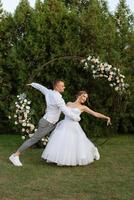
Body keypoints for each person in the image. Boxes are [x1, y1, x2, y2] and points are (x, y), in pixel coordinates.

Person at [9, 80, 81, 166]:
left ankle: (57, 157)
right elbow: (65, 111)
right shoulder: (58, 99)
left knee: (59, 137)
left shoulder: (49, 92)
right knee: (34, 139)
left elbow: (41, 88)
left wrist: (32, 84)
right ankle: (15, 155)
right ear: (57, 87)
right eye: (62, 86)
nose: (64, 87)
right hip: (47, 123)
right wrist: (76, 117)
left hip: (50, 123)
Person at [42, 91, 111, 166]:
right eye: (84, 96)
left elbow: (95, 114)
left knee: (78, 143)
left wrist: (106, 117)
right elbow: (60, 111)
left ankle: (93, 150)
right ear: (79, 95)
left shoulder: (83, 107)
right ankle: (60, 158)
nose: (85, 99)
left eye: (86, 98)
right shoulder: (68, 104)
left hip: (74, 126)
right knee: (63, 142)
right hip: (64, 124)